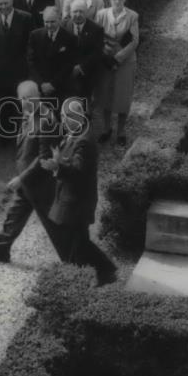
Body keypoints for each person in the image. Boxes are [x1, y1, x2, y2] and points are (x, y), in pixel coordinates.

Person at [0, 79, 57, 263]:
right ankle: (0, 248)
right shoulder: (29, 113)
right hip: (29, 182)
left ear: (37, 96)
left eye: (29, 98)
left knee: (55, 224)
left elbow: (43, 157)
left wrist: (21, 178)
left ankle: (76, 256)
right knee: (15, 214)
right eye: (22, 99)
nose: (25, 102)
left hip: (40, 185)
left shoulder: (45, 120)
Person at [40, 96, 117, 285]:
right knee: (79, 242)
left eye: (65, 117)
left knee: (78, 244)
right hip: (72, 199)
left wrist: (57, 166)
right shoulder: (75, 134)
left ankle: (95, 275)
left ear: (76, 117)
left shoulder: (84, 142)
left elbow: (77, 171)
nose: (63, 121)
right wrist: (58, 161)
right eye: (62, 117)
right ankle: (104, 271)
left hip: (78, 202)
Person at [0, 0, 33, 143]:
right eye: (0, 4)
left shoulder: (26, 18)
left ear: (12, 1)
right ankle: (4, 136)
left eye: (6, 3)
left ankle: (22, 136)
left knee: (20, 104)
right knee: (1, 104)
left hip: (19, 71)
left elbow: (30, 45)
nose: (3, 7)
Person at [95, 0, 139, 147]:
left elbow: (134, 41)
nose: (117, 1)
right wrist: (106, 55)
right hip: (105, 61)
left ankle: (121, 131)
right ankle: (106, 129)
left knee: (123, 96)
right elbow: (96, 36)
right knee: (105, 94)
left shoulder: (132, 16)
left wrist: (117, 58)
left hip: (125, 61)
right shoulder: (101, 14)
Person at [26, 5, 76, 101]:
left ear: (59, 19)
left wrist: (53, 84)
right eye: (46, 22)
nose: (49, 25)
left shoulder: (69, 38)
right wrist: (42, 84)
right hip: (39, 87)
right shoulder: (35, 35)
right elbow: (31, 61)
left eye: (52, 22)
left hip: (60, 87)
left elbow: (69, 64)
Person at [64, 0, 103, 101]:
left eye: (81, 11)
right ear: (70, 12)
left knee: (84, 102)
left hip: (87, 72)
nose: (78, 14)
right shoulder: (64, 26)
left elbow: (97, 53)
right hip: (67, 72)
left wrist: (81, 67)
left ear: (86, 13)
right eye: (75, 11)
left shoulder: (96, 29)